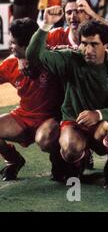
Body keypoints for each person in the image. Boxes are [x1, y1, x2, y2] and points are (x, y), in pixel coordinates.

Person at [26, 8, 108, 189]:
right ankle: (75, 166)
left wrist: (98, 114)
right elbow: (34, 56)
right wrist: (45, 25)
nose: (88, 49)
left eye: (94, 44)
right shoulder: (70, 58)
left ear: (107, 45)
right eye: (84, 43)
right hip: (74, 122)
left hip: (100, 125)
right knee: (70, 147)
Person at [0, 18, 62, 181]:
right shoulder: (10, 64)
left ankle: (63, 160)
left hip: (52, 121)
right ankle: (14, 160)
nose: (10, 47)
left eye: (13, 43)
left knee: (45, 140)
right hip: (23, 118)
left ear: (27, 45)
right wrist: (21, 59)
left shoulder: (53, 58)